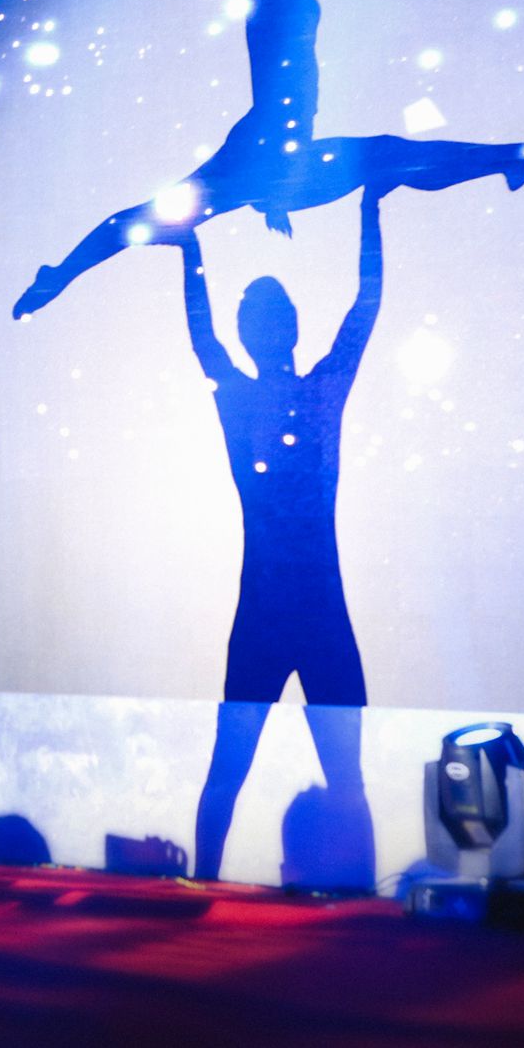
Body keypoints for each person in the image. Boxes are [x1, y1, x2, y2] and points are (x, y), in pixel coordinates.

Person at [12, 0, 524, 320]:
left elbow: (286, 72)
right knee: (389, 157)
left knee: (389, 158)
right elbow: (279, 71)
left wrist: (279, 177)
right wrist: (278, 166)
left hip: (276, 145)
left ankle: (507, 159)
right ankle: (509, 158)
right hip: (269, 143)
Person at [171, 188, 386, 884]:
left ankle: (213, 882)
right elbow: (362, 310)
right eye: (262, 317)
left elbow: (362, 312)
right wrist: (370, 211)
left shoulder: (295, 394)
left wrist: (189, 250)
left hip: (290, 609)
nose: (267, 327)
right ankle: (209, 882)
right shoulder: (289, 395)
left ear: (280, 328)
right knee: (260, 771)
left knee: (264, 772)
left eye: (268, 316)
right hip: (291, 609)